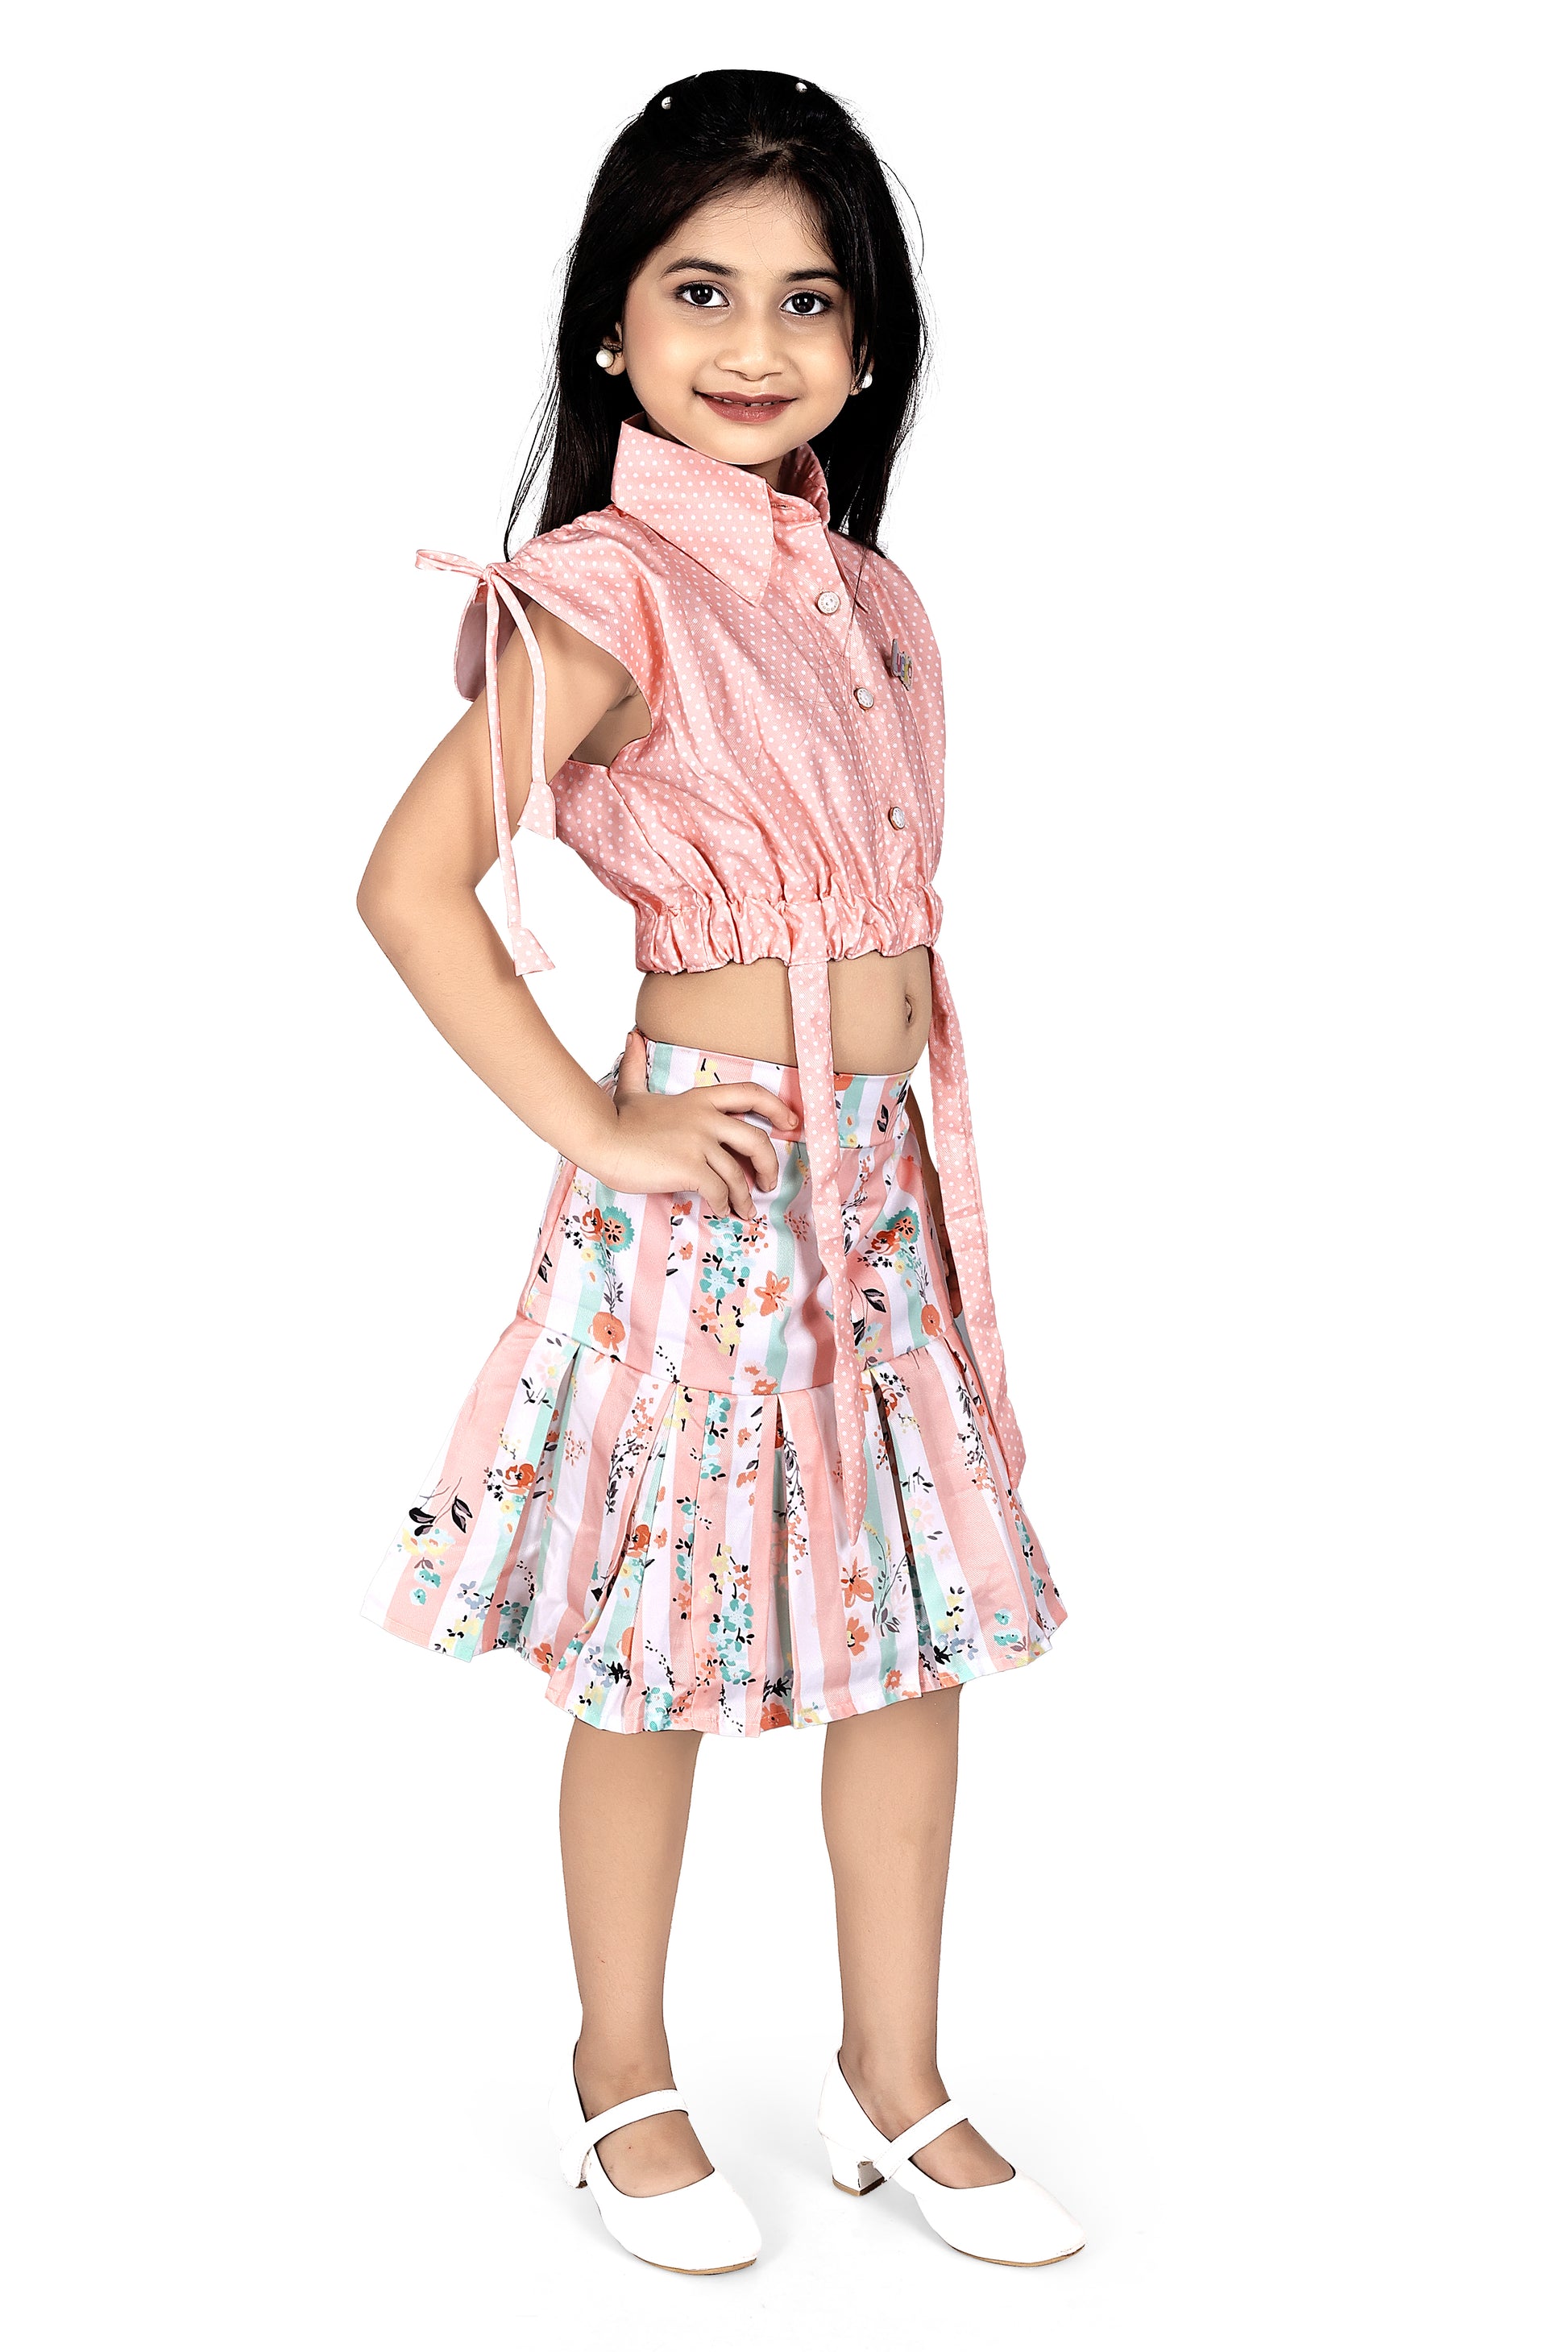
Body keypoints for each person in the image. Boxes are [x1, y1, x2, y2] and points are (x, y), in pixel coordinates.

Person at [358, 67, 1081, 2275]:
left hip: (880, 1189)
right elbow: (409, 884)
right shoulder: (602, 591)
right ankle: (621, 2071)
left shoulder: (867, 595)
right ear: (612, 324)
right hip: (713, 1188)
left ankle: (893, 2074)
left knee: (912, 1634)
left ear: (865, 344)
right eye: (700, 290)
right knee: (652, 1636)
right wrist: (602, 1124)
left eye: (808, 299)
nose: (755, 343)